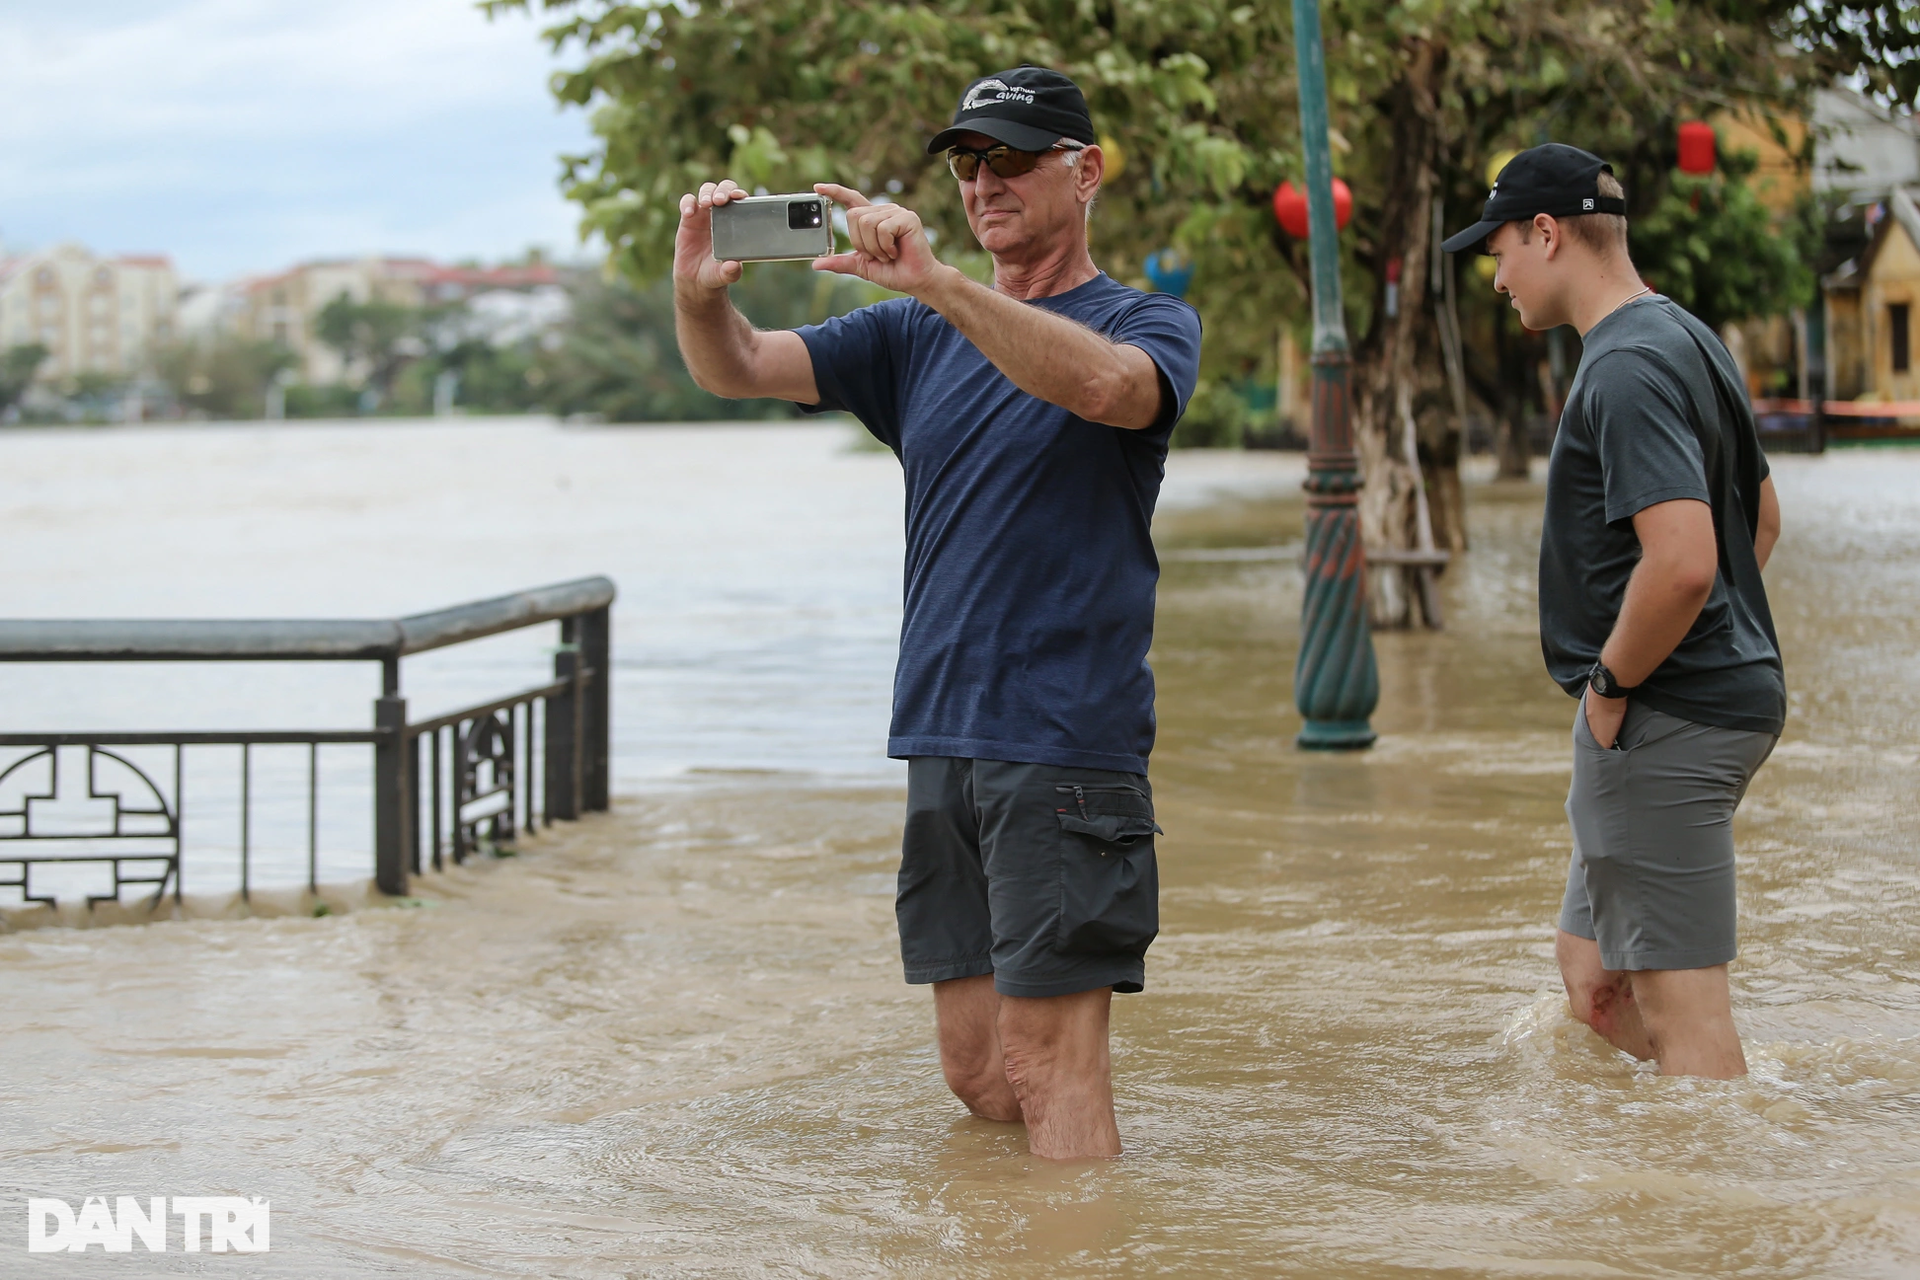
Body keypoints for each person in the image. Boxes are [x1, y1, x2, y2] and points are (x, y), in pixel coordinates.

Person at [671, 66, 1202, 1156]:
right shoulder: (910, 341)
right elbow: (741, 367)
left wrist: (941, 283)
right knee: (980, 1073)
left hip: (1063, 740)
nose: (983, 181)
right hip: (942, 735)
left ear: (1085, 172)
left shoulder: (1144, 319)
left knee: (1048, 1066)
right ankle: (1055, 1240)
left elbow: (1107, 389)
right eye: (967, 162)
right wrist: (699, 291)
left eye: (1010, 157)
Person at [1444, 143, 1785, 1079]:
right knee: (1594, 978)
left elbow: (1683, 564)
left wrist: (1613, 682)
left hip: (1662, 713)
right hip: (1700, 700)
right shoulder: (1686, 339)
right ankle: (1697, 1177)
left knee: (1682, 1010)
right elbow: (1761, 522)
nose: (1498, 273)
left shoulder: (1624, 369)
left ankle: (1732, 1202)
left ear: (1547, 234)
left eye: (1499, 248)